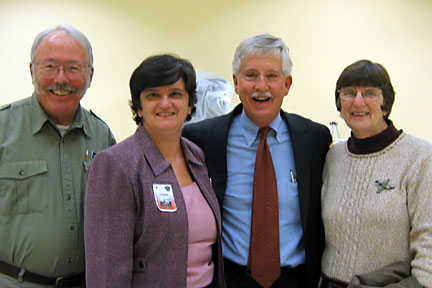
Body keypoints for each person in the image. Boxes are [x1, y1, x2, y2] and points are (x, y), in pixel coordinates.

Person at [183, 33, 332, 288]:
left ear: (287, 84)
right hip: (230, 279)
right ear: (236, 83)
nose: (261, 86)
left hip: (296, 280)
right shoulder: (201, 138)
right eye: (251, 75)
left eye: (272, 76)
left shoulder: (315, 139)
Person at [84, 54, 224, 288]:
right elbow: (106, 269)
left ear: (190, 105)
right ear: (138, 107)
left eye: (175, 94)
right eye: (153, 95)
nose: (165, 103)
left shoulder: (196, 156)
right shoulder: (117, 164)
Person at [0, 25, 115, 288]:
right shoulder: (3, 129)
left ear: (90, 75)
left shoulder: (102, 135)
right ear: (32, 71)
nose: (60, 78)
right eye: (49, 66)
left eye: (73, 68)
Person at [320, 59, 432, 287]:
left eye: (370, 93)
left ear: (386, 103)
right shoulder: (333, 157)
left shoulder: (420, 156)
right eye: (349, 93)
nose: (358, 102)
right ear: (339, 102)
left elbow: (428, 244)